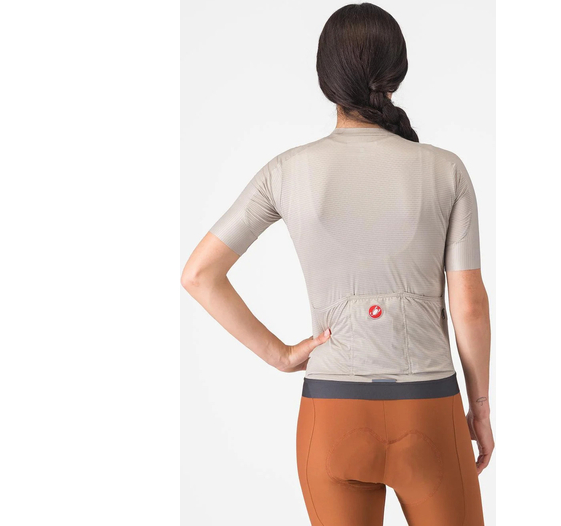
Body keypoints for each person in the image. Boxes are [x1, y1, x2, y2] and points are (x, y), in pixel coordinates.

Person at [181, 4, 491, 525]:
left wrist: (282, 356)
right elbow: (470, 305)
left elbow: (198, 275)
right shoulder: (446, 170)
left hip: (331, 414)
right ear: (397, 74)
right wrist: (479, 407)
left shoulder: (286, 172)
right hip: (429, 410)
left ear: (326, 79)